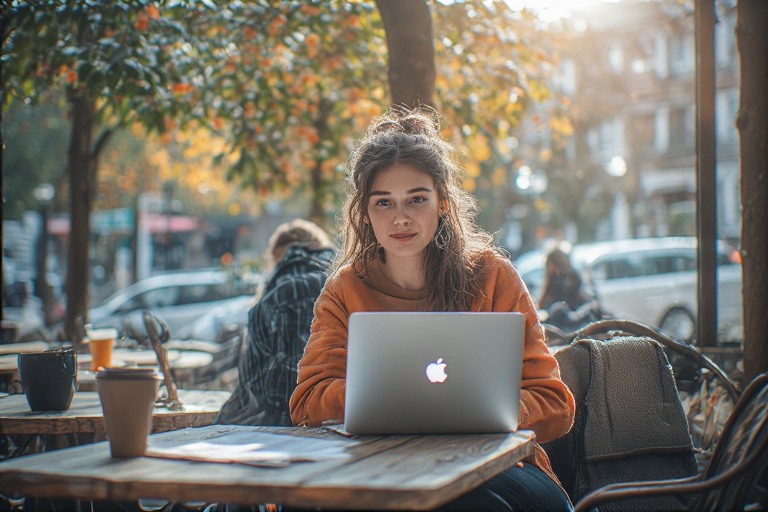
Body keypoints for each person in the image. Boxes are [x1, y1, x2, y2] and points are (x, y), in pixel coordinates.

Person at [289, 106, 576, 511]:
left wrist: (479, 411)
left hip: (497, 469)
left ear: (442, 202)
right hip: (384, 468)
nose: (401, 217)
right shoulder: (346, 291)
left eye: (416, 199)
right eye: (383, 202)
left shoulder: (493, 277)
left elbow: (555, 403)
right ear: (365, 214)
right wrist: (396, 400)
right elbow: (308, 401)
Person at [215, 218, 335, 426]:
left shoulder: (276, 296)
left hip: (276, 429)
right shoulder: (348, 281)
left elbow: (260, 394)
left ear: (277, 257)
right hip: (340, 420)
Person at [538, 247, 603, 333]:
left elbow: (552, 300)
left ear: (552, 262)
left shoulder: (559, 278)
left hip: (566, 322)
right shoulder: (570, 274)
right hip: (572, 318)